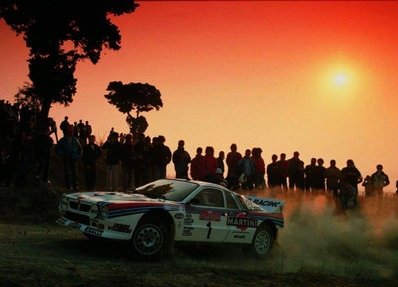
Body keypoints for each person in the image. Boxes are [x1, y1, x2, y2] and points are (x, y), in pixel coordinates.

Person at [55, 124, 82, 191]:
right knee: (67, 172)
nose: (71, 130)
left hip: (74, 159)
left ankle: (75, 186)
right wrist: (63, 154)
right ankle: (68, 186)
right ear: (67, 130)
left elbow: (80, 149)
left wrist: (77, 156)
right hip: (66, 158)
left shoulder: (75, 140)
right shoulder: (63, 140)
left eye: (72, 129)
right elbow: (57, 148)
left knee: (75, 173)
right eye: (69, 129)